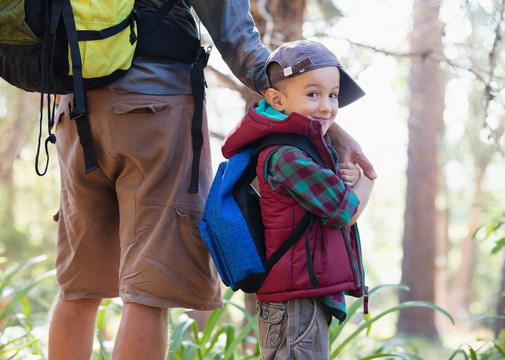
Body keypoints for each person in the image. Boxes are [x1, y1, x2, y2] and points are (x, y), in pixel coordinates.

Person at [47, 1, 376, 359]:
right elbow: (240, 41)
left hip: (73, 112)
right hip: (153, 111)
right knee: (149, 289)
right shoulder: (288, 151)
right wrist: (318, 124)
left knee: (78, 288)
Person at [220, 39, 375, 359]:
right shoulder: (288, 155)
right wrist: (366, 180)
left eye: (333, 95)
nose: (326, 106)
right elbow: (345, 210)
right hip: (294, 304)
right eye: (312, 94)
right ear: (276, 100)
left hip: (299, 298)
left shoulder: (299, 149)